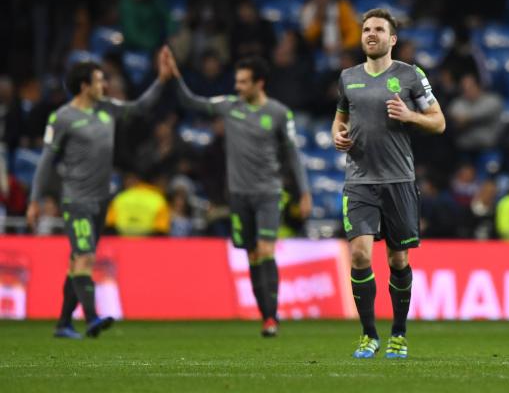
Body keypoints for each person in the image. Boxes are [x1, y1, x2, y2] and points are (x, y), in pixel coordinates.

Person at [161, 46, 312, 337]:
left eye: (243, 82)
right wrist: (175, 77)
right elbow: (191, 101)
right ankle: (266, 314)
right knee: (253, 254)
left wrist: (304, 192)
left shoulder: (279, 114)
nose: (237, 86)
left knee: (266, 249)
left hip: (268, 193)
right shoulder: (229, 106)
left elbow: (292, 155)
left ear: (259, 83)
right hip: (238, 196)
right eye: (237, 81)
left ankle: (271, 317)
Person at [26, 58, 170, 339]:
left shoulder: (108, 109)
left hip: (102, 201)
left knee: (76, 262)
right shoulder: (63, 117)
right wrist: (35, 200)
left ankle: (64, 324)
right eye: (99, 80)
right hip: (76, 200)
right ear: (84, 86)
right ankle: (91, 317)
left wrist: (161, 79)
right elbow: (46, 162)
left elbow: (140, 107)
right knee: (85, 257)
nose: (105, 84)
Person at [331, 8, 445, 359]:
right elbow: (339, 119)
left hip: (399, 180)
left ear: (392, 39)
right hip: (360, 182)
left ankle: (399, 333)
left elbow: (438, 122)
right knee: (361, 253)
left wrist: (410, 116)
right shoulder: (348, 77)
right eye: (367, 29)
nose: (371, 34)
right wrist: (337, 135)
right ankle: (369, 335)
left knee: (398, 260)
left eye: (379, 29)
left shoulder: (410, 76)